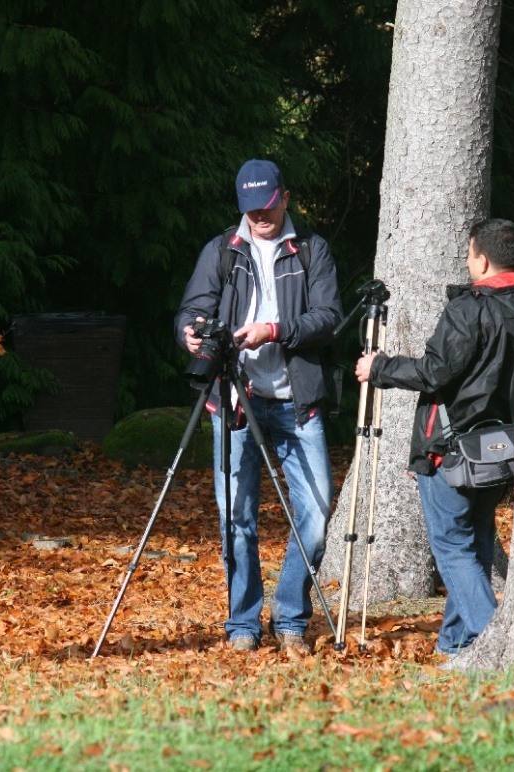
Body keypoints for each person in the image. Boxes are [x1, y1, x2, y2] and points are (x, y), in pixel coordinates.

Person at [174, 159, 343, 652]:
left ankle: (291, 615)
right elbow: (192, 308)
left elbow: (329, 318)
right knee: (236, 519)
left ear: (284, 197)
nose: (259, 217)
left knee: (314, 514)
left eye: (267, 206)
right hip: (234, 401)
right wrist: (188, 333)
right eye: (250, 209)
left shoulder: (312, 250)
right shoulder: (221, 250)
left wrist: (274, 330)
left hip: (297, 401)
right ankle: (243, 623)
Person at [355, 219, 514, 656]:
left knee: (453, 548)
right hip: (505, 447)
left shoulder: (469, 308)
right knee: (477, 543)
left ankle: (493, 645)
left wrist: (378, 368)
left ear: (482, 259)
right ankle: (454, 644)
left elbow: (435, 371)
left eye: (470, 253)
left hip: (451, 449)